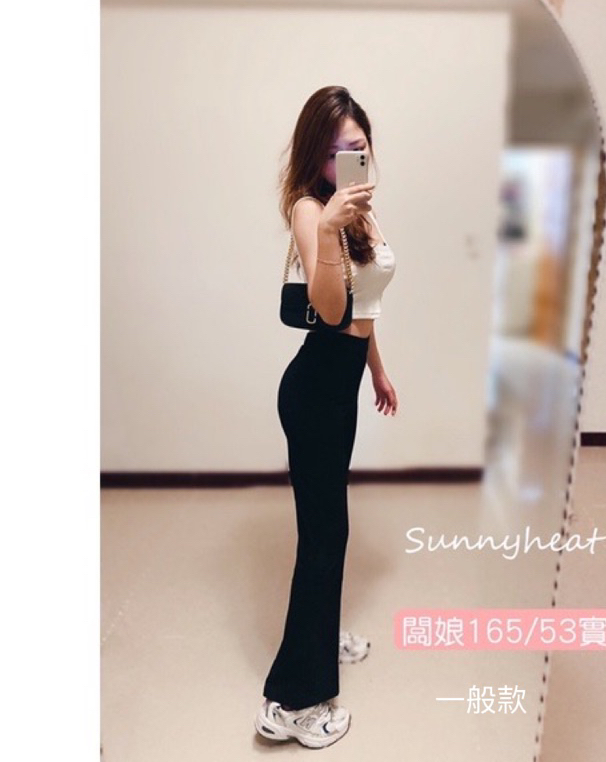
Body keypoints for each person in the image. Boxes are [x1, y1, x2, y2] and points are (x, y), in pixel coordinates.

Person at [254, 86, 398, 749]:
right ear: (317, 157)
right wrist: (331, 228)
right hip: (312, 393)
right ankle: (292, 702)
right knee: (324, 535)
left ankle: (320, 631)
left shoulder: (360, 211)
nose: (350, 160)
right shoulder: (311, 211)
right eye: (337, 151)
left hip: (341, 389)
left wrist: (377, 369)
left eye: (358, 147)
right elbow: (333, 309)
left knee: (328, 529)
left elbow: (366, 308)